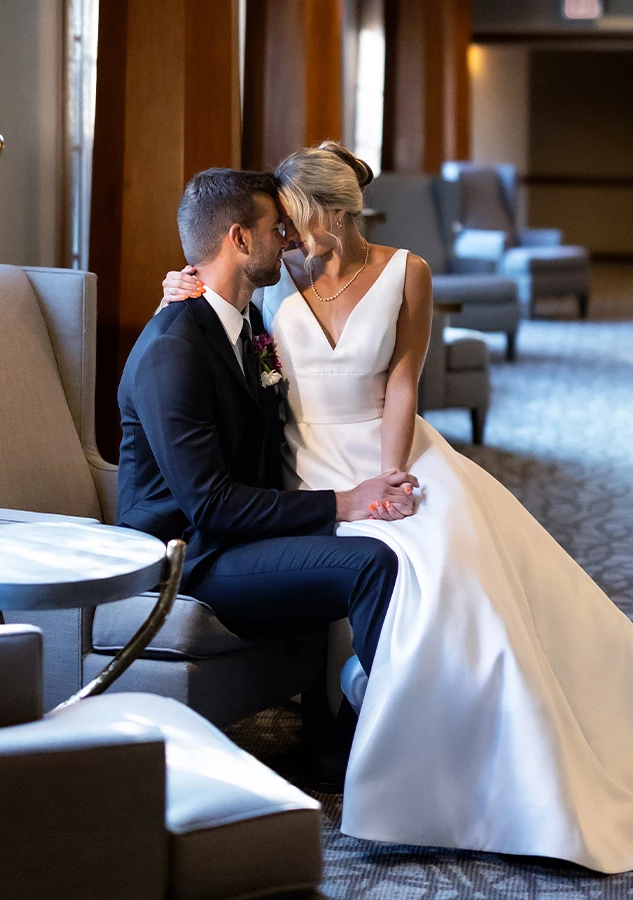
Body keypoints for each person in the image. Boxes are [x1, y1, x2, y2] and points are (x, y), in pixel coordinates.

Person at [159, 144, 633, 874]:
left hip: (390, 453)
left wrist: (387, 477)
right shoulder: (278, 278)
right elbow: (225, 321)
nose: (287, 236)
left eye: (297, 221)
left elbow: (403, 385)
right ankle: (388, 740)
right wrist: (182, 286)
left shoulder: (406, 272)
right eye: (277, 226)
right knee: (394, 574)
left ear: (335, 213)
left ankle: (461, 750)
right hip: (306, 471)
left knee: (448, 566)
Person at [117, 168, 420, 786]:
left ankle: (358, 725)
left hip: (238, 539)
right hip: (191, 557)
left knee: (395, 546)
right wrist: (343, 502)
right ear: (238, 239)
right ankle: (357, 752)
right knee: (369, 563)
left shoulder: (246, 322)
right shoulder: (174, 349)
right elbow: (214, 507)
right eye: (273, 229)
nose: (285, 238)